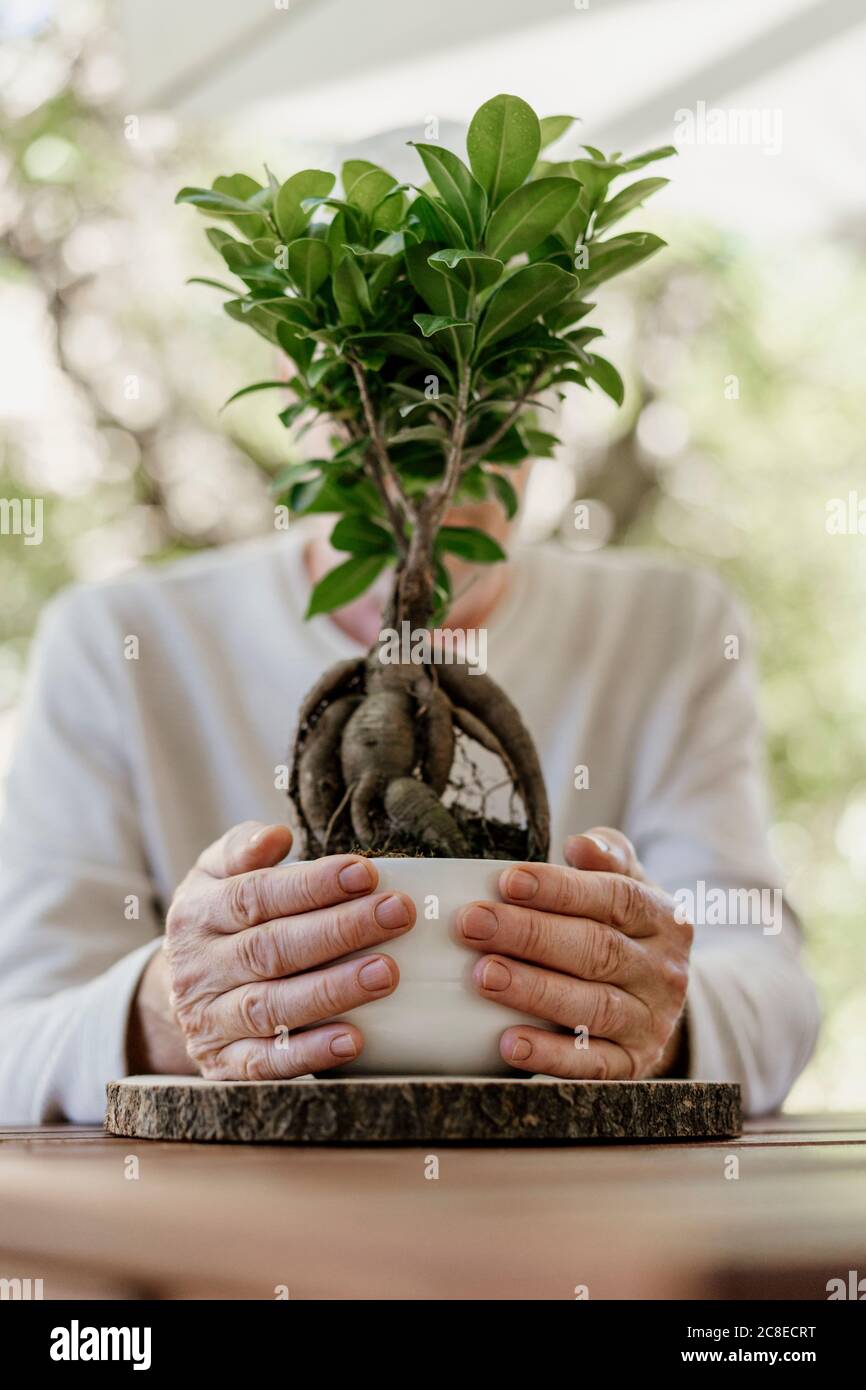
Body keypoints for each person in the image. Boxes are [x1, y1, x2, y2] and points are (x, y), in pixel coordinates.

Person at [0, 484, 819, 1123]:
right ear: (297, 370)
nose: (418, 440)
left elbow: (775, 990)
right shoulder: (112, 640)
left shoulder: (671, 626)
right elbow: (16, 1039)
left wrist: (654, 1016)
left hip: (570, 1220)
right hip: (222, 1233)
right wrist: (167, 1010)